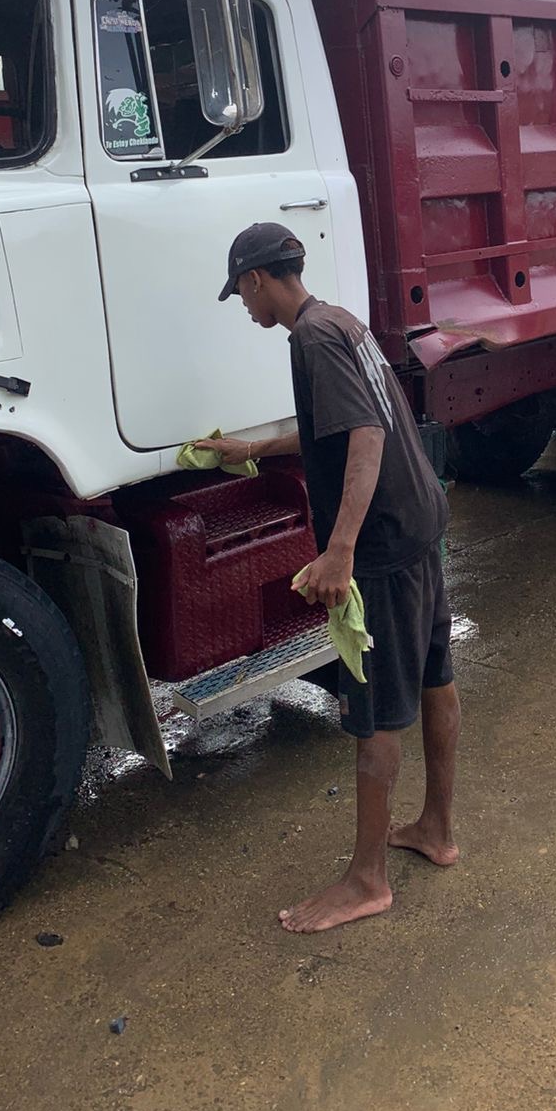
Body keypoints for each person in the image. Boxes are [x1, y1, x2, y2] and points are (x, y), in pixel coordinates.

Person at [197, 222, 460, 933]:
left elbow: (366, 438)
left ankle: (367, 881)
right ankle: (435, 829)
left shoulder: (312, 337)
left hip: (381, 545)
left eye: (240, 294)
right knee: (435, 674)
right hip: (420, 522)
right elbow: (342, 425)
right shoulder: (338, 321)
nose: (244, 309)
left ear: (257, 279)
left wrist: (339, 550)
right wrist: (257, 445)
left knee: (372, 710)